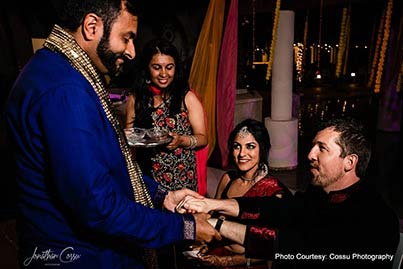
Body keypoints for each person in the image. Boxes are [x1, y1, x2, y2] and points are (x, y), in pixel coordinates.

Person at [4, 0, 220, 268]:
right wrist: (184, 228)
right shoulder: (66, 91)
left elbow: (108, 167)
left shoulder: (58, 71)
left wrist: (161, 195)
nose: (131, 51)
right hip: (79, 255)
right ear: (92, 26)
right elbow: (98, 204)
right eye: (126, 37)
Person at [183, 117, 401, 269]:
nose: (309, 154)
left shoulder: (375, 217)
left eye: (322, 148)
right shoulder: (319, 196)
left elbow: (289, 244)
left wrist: (216, 224)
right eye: (313, 146)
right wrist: (211, 205)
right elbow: (274, 207)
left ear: (350, 162)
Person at [185, 119, 292, 269]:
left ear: (263, 149)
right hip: (217, 253)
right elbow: (213, 218)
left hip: (247, 262)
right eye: (237, 147)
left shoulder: (274, 191)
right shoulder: (228, 179)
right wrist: (203, 245)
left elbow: (272, 247)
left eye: (250, 147)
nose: (242, 154)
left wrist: (227, 261)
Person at [125, 38, 208, 193]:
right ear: (147, 68)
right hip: (148, 178)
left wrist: (181, 140)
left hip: (182, 179)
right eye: (157, 67)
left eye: (169, 67)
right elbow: (129, 138)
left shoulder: (186, 97)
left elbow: (203, 138)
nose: (164, 74)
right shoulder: (136, 98)